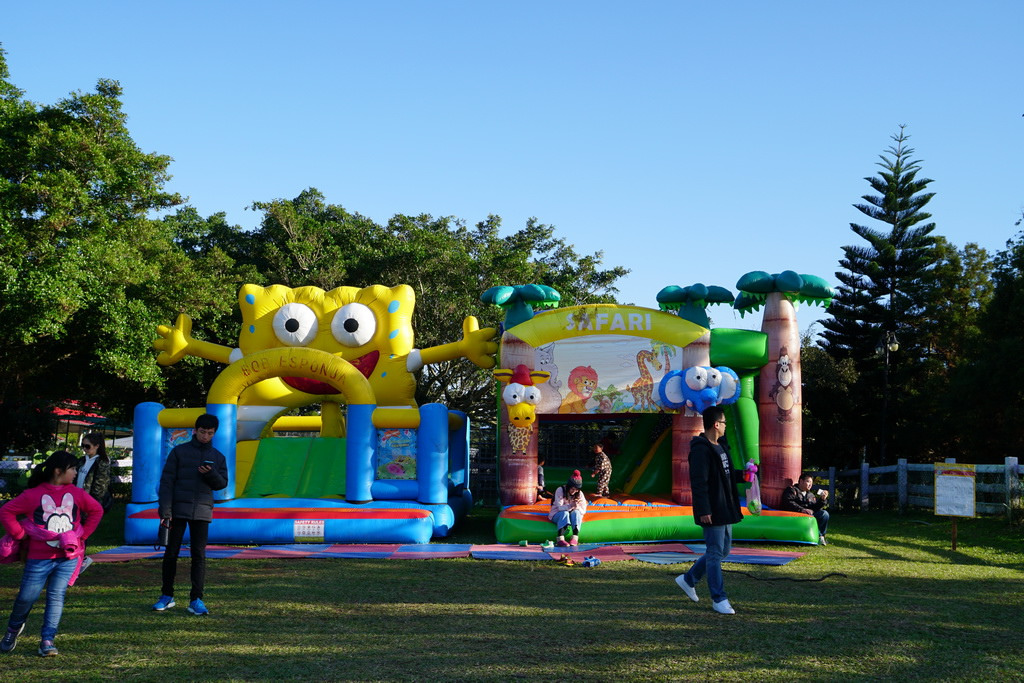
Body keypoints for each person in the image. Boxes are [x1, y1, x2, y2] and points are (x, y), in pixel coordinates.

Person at [0, 451, 103, 656]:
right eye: (73, 468)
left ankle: (47, 640)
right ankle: (12, 630)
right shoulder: (32, 495)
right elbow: (6, 511)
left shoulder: (77, 493)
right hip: (39, 558)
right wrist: (20, 534)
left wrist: (82, 537)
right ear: (58, 471)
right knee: (26, 598)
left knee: (56, 597)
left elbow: (97, 510)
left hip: (67, 558)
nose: (76, 472)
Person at [153, 414, 228, 616]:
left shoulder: (219, 457)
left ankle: (196, 599)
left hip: (202, 511)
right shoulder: (179, 452)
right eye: (202, 432)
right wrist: (165, 511)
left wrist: (210, 473)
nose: (205, 436)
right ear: (195, 431)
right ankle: (166, 596)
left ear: (214, 433)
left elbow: (222, 484)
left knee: (199, 556)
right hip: (177, 510)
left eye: (210, 433)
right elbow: (166, 482)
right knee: (170, 554)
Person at [674, 406, 744, 615]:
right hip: (712, 508)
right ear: (716, 424)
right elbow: (699, 482)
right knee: (714, 552)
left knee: (723, 551)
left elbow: (727, 473)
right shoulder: (700, 449)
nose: (725, 426)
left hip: (726, 506)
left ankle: (689, 579)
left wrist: (745, 475)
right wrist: (704, 509)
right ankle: (718, 598)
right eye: (723, 423)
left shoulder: (722, 445)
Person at [781, 472, 830, 545]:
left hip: (808, 516)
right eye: (808, 481)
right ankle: (819, 536)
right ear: (801, 481)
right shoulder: (792, 490)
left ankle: (821, 536)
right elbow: (788, 502)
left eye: (811, 482)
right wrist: (802, 510)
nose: (810, 484)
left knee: (824, 514)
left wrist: (822, 500)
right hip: (796, 515)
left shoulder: (810, 495)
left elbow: (815, 507)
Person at [548, 470, 588, 547]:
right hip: (557, 514)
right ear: (569, 486)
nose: (574, 491)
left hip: (571, 514)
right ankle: (560, 538)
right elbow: (559, 507)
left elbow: (583, 510)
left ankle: (575, 537)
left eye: (576, 490)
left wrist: (576, 506)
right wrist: (570, 506)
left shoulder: (579, 494)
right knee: (565, 513)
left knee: (576, 512)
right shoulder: (560, 490)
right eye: (573, 489)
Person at [77, 433, 113, 511]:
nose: (84, 449)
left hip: (89, 502)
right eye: (83, 446)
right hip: (77, 499)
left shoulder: (102, 463)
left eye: (87, 446)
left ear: (97, 446)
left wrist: (92, 503)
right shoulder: (81, 460)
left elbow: (100, 486)